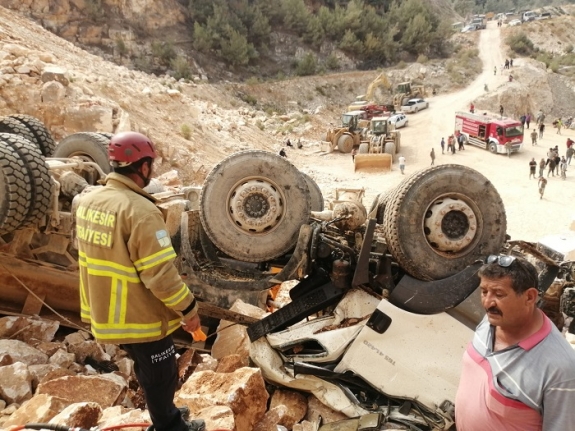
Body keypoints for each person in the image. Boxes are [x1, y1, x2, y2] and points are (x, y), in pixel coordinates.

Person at [76, 132, 205, 431]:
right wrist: (189, 309)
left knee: (148, 367)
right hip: (138, 315)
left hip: (106, 310)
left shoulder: (90, 201)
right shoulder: (141, 211)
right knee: (161, 371)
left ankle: (166, 413)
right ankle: (168, 425)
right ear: (143, 167)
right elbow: (160, 274)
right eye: (151, 165)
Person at [455, 255, 575, 431]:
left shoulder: (561, 369)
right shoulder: (492, 320)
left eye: (499, 294)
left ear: (529, 297)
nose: (487, 302)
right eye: (484, 291)